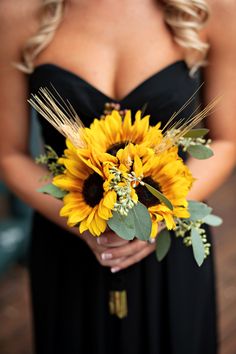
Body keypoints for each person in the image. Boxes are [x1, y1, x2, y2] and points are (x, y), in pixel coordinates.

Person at [0, 0, 235, 353]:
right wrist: (84, 223)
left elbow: (227, 140)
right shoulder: (16, 12)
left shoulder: (213, 7)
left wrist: (156, 217)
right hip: (67, 241)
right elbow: (9, 155)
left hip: (169, 249)